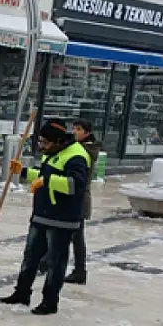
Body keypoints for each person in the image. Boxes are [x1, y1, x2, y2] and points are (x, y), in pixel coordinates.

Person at [0, 119, 91, 315]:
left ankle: (50, 302)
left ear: (58, 141)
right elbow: (44, 174)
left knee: (55, 263)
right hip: (41, 215)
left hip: (62, 219)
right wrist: (24, 172)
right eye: (40, 142)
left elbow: (75, 186)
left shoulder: (77, 156)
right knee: (30, 258)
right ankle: (22, 293)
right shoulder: (54, 152)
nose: (42, 147)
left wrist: (46, 181)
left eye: (45, 143)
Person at [65, 119, 100, 285]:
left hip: (79, 198)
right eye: (74, 129)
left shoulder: (84, 150)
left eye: (78, 129)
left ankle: (80, 271)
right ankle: (78, 270)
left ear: (87, 132)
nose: (74, 132)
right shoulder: (83, 148)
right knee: (70, 235)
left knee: (76, 236)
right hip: (76, 197)